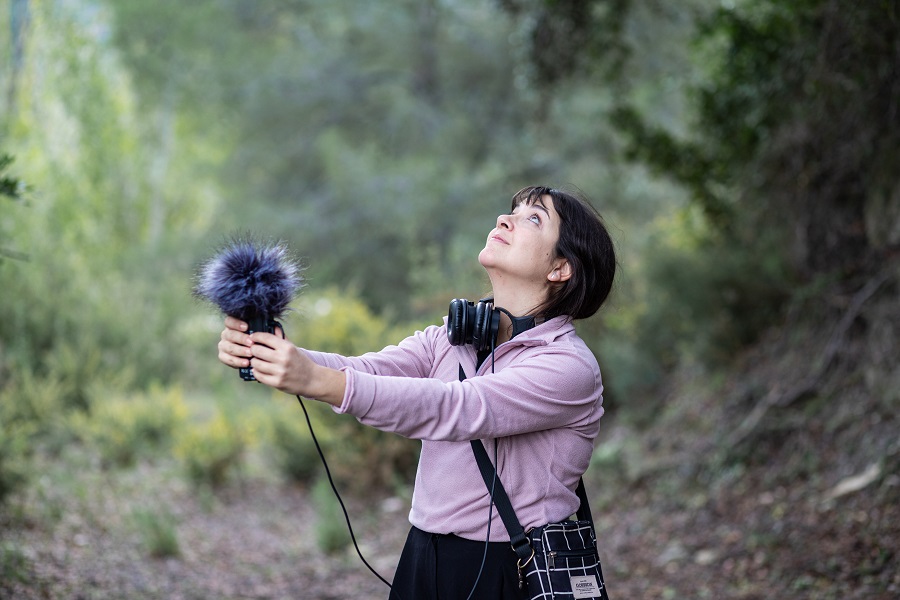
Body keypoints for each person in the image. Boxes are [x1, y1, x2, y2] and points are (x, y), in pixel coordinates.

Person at [217, 185, 616, 599]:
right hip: (422, 553)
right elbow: (365, 370)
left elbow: (457, 408)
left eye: (534, 218)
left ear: (561, 268)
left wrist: (314, 380)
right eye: (511, 210)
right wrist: (276, 353)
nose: (505, 219)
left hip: (511, 568)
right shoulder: (454, 336)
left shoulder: (568, 367)